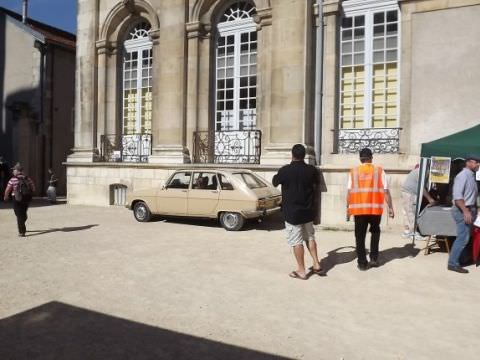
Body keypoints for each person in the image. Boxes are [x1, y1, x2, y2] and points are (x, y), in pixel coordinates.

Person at [272, 144, 322, 280]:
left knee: (296, 241)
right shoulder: (312, 170)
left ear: (292, 155)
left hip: (292, 213)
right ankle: (316, 263)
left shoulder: (285, 170)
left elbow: (274, 182)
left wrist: (282, 172)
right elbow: (317, 186)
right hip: (308, 211)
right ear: (304, 155)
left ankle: (301, 270)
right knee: (310, 237)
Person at [347, 148, 394, 271]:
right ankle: (374, 258)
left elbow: (349, 192)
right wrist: (390, 207)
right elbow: (385, 191)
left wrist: (348, 209)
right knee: (375, 232)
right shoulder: (379, 171)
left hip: (359, 210)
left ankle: (362, 263)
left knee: (359, 236)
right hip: (374, 209)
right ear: (371, 158)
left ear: (360, 158)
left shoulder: (354, 171)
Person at [447, 154, 480, 274]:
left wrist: (475, 209)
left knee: (466, 237)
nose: (478, 164)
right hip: (462, 210)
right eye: (476, 162)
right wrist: (466, 211)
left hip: (469, 209)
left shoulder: (471, 175)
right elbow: (458, 197)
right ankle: (453, 263)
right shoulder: (462, 176)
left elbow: (471, 195)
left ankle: (461, 259)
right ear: (469, 162)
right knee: (463, 237)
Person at [400, 165, 436, 239]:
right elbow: (422, 187)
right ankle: (413, 233)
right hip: (410, 193)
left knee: (407, 212)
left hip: (406, 191)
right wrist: (430, 199)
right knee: (411, 212)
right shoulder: (422, 172)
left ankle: (407, 231)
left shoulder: (419, 170)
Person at [3, 163, 36, 237]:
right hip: (26, 198)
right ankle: (23, 220)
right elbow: (33, 188)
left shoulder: (13, 179)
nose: (13, 171)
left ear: (17, 171)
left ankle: (22, 232)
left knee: (18, 215)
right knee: (23, 214)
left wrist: (6, 197)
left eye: (14, 170)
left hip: (16, 199)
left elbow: (8, 189)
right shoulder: (28, 178)